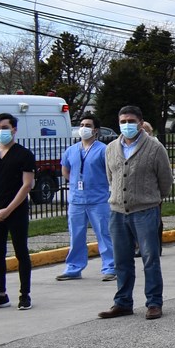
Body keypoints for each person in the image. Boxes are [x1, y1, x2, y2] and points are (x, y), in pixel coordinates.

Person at [99, 106, 172, 320]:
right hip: (118, 212)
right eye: (123, 121)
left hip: (145, 210)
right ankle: (122, 302)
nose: (126, 125)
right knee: (121, 259)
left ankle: (154, 302)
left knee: (150, 258)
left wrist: (154, 199)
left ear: (140, 123)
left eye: (131, 121)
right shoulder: (111, 148)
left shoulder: (154, 148)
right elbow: (111, 177)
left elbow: (165, 180)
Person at [0, 113, 36, 311]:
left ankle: (25, 295)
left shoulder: (24, 154)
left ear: (14, 130)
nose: (1, 131)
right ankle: (0, 294)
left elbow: (27, 184)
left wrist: (9, 209)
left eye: (5, 127)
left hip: (16, 212)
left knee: (21, 252)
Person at [57, 112, 115, 283]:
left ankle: (110, 267)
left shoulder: (103, 150)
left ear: (95, 130)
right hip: (76, 200)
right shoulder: (71, 150)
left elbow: (111, 172)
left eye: (88, 125)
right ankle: (73, 267)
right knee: (76, 235)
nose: (84, 128)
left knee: (104, 234)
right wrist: (77, 183)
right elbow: (65, 170)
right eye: (82, 125)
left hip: (98, 199)